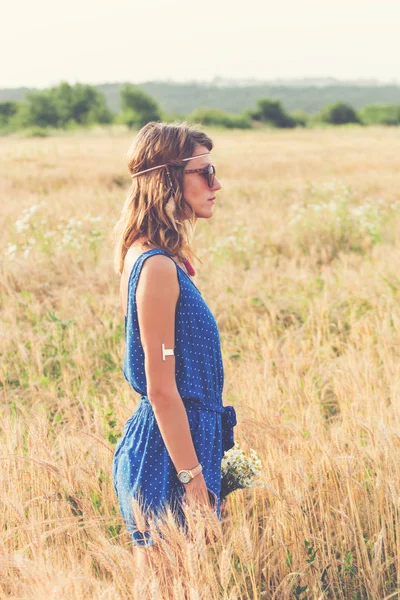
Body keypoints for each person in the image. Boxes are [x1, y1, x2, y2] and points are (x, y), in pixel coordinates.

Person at [111, 121, 237, 560]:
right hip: (169, 459)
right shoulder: (157, 267)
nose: (216, 183)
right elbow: (162, 389)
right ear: (167, 178)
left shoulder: (157, 258)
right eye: (204, 172)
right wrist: (193, 480)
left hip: (180, 447)